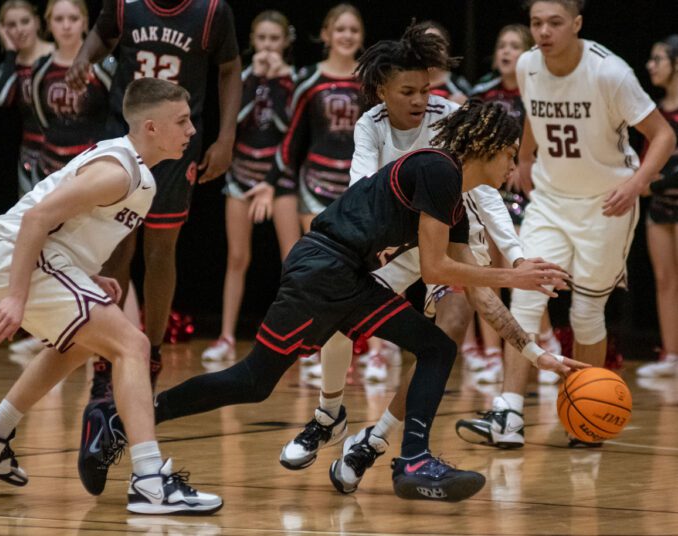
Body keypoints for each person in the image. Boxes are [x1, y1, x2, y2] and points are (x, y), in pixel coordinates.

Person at [90, 100, 587, 503]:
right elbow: (437, 269)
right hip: (322, 268)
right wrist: (514, 274)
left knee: (435, 347)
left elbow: (476, 291)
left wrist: (534, 353)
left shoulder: (452, 201)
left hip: (348, 277)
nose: (513, 168)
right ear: (487, 146)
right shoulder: (438, 169)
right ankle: (122, 420)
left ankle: (413, 460)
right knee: (253, 382)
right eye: (510, 155)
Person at [276, 27, 541, 495]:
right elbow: (361, 190)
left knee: (448, 329)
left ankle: (376, 441)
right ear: (382, 90)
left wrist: (517, 255)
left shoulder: (449, 115)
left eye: (425, 88)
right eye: (408, 91)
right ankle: (328, 414)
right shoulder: (370, 125)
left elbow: (486, 190)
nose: (420, 99)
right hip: (396, 238)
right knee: (338, 315)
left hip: (450, 235)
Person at [0, 78, 222, 515]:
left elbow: (68, 230)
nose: (192, 130)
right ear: (151, 127)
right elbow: (37, 218)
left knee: (79, 345)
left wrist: (87, 277)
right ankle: (150, 481)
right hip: (16, 256)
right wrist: (17, 297)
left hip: (39, 260)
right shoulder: (117, 171)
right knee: (132, 345)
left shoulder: (139, 175)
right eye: (182, 121)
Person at [456, 0, 676, 449]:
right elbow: (534, 115)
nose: (543, 31)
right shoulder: (528, 65)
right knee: (525, 294)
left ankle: (586, 418)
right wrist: (525, 159)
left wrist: (636, 184)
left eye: (554, 22)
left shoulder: (610, 72)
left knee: (586, 313)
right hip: (551, 201)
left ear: (576, 24)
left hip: (606, 205)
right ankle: (509, 414)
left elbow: (664, 135)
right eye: (536, 22)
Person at [65, 0, 242, 494]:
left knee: (161, 250)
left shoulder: (211, 12)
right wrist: (83, 59)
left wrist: (227, 136)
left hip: (175, 146)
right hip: (125, 134)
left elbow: (230, 69)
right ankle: (106, 361)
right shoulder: (125, 6)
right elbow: (101, 35)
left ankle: (154, 353)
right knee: (116, 249)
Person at [263, 3, 365, 368]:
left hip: (357, 186)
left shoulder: (370, 80)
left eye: (354, 30)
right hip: (315, 186)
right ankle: (312, 343)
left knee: (364, 270)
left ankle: (374, 350)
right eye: (340, 29)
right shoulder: (309, 79)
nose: (347, 36)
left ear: (362, 36)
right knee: (320, 269)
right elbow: (290, 138)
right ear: (326, 35)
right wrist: (270, 182)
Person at [201, 10, 300, 363]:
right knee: (237, 257)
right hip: (241, 175)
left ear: (285, 42)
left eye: (275, 39)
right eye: (262, 39)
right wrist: (256, 79)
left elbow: (289, 127)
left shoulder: (295, 80)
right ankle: (226, 336)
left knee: (293, 260)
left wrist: (275, 81)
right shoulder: (243, 78)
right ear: (253, 42)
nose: (268, 46)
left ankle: (300, 339)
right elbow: (234, 122)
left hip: (279, 178)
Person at [466, 24, 562, 385]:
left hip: (524, 190)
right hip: (487, 188)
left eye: (514, 46)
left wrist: (525, 163)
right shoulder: (481, 93)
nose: (506, 51)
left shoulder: (537, 90)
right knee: (486, 267)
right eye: (502, 45)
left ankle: (545, 339)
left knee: (518, 265)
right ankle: (492, 354)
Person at [0, 0, 56, 357]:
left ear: (37, 22)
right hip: (30, 159)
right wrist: (8, 54)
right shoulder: (15, 64)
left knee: (64, 238)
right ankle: (42, 328)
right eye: (10, 25)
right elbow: (2, 98)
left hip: (62, 156)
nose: (19, 30)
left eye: (24, 22)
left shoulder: (55, 56)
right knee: (32, 240)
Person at [30, 0, 114, 180]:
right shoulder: (41, 68)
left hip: (93, 172)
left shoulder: (103, 66)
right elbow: (41, 119)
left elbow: (117, 113)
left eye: (73, 18)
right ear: (48, 23)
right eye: (59, 19)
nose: (66, 26)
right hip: (49, 170)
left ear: (85, 22)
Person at [637, 35, 678, 378]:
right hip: (660, 207)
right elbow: (644, 162)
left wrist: (657, 182)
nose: (651, 66)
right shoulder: (653, 114)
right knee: (664, 279)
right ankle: (671, 355)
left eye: (658, 59)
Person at [418, 20, 471, 104]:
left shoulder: (458, 84)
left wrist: (463, 107)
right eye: (426, 44)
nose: (432, 50)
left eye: (437, 44)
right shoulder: (404, 85)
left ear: (446, 51)